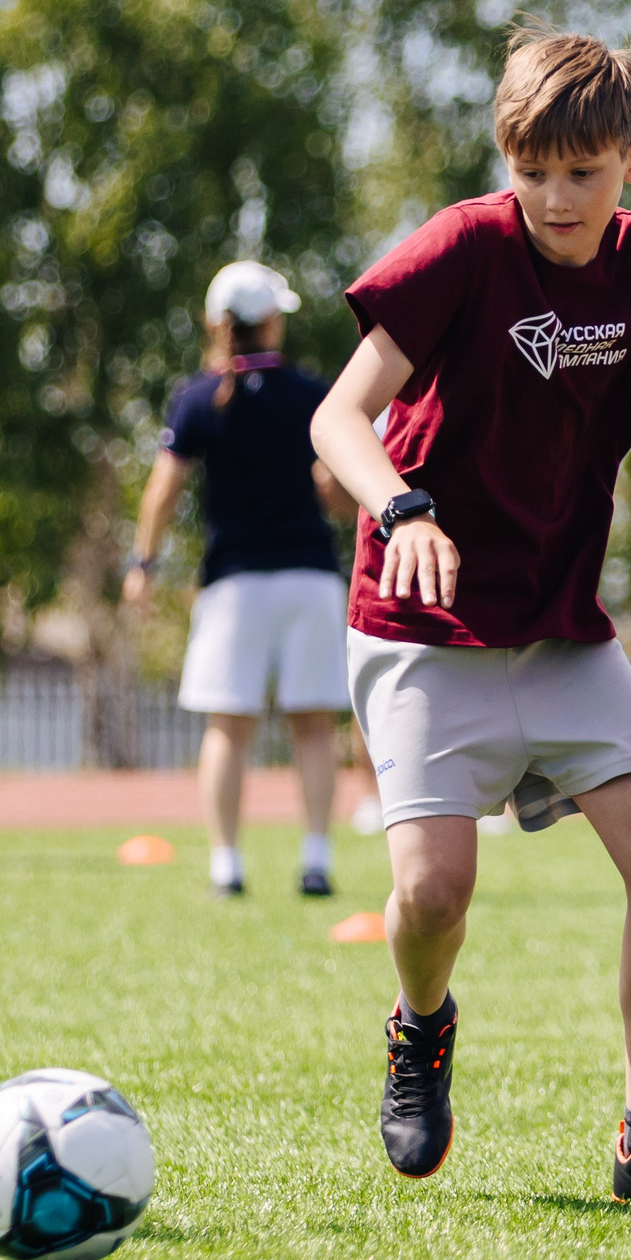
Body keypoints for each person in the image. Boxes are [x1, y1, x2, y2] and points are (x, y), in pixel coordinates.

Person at [308, 29, 631, 1204]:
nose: (555, 197)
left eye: (582, 172)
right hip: (423, 621)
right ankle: (420, 1026)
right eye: (533, 170)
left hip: (562, 624)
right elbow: (336, 420)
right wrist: (403, 508)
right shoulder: (461, 247)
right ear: (505, 156)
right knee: (431, 896)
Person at [125, 260, 354, 899]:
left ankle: (227, 866)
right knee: (313, 727)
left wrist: (143, 565)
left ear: (214, 323)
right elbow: (338, 490)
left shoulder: (197, 397)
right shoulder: (313, 393)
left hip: (234, 585)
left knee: (229, 729)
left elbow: (162, 490)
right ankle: (316, 860)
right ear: (274, 320)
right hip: (310, 577)